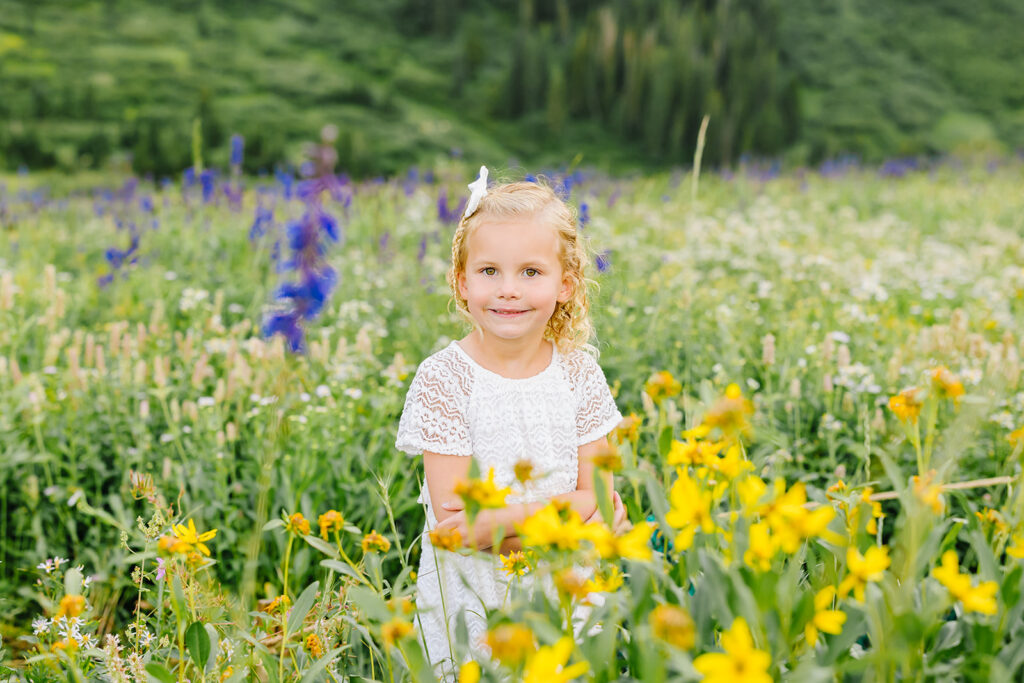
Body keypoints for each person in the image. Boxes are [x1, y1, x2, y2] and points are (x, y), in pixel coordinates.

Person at [395, 166, 628, 676]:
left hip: (566, 594)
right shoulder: (444, 379)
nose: (507, 290)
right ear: (461, 280)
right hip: (472, 600)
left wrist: (502, 524)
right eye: (488, 271)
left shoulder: (580, 373)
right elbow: (455, 530)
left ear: (565, 284)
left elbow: (605, 509)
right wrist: (570, 516)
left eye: (530, 272)